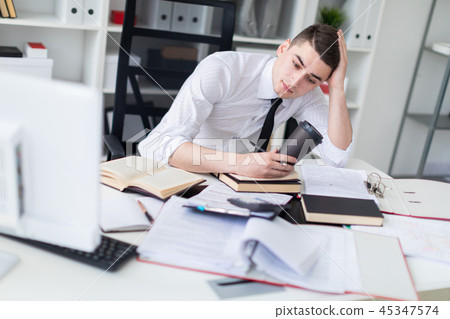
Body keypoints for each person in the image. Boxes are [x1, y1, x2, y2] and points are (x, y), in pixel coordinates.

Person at [138, 24, 353, 178]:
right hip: (187, 176)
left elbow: (336, 158)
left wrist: (336, 88)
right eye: (296, 64)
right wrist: (240, 163)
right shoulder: (223, 70)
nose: (296, 82)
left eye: (312, 79)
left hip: (240, 185)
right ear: (283, 48)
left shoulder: (307, 94)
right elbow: (156, 144)